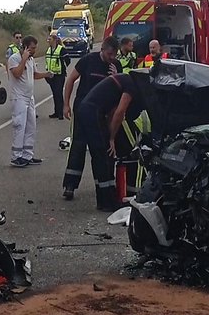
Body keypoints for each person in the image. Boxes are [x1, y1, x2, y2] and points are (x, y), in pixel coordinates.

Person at [62, 36, 120, 200]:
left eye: (114, 55)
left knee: (100, 150)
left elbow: (118, 93)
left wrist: (115, 75)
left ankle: (103, 188)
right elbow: (71, 80)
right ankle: (70, 185)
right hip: (82, 110)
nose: (111, 57)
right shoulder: (88, 60)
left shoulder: (115, 65)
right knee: (78, 147)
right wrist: (66, 104)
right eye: (109, 54)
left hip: (101, 114)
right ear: (102, 49)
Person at [75, 73, 144, 212]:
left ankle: (102, 199)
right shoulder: (132, 86)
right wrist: (111, 138)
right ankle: (108, 202)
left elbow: (112, 111)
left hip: (86, 110)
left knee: (99, 155)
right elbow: (120, 112)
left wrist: (109, 133)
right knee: (105, 156)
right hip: (93, 112)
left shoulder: (123, 80)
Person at [8, 35, 53, 167]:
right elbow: (17, 74)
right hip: (19, 98)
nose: (34, 50)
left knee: (31, 126)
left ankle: (27, 155)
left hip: (29, 97)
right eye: (32, 48)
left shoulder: (31, 60)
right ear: (25, 47)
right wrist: (23, 59)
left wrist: (46, 74)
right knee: (19, 126)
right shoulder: (14, 59)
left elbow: (34, 75)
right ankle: (16, 156)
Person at [45, 33, 68, 119]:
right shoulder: (49, 49)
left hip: (59, 75)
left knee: (58, 93)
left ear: (55, 40)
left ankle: (60, 113)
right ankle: (56, 112)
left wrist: (62, 68)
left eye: (50, 39)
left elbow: (67, 61)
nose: (48, 41)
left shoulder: (61, 49)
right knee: (54, 94)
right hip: (51, 75)